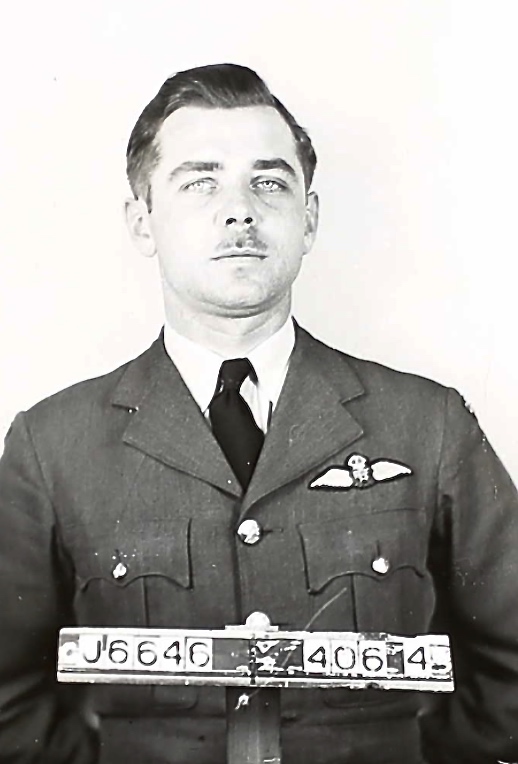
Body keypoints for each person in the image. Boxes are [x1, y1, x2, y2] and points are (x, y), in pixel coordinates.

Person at [0, 63, 517, 764]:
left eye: (269, 182)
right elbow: (8, 695)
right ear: (142, 221)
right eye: (200, 182)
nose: (239, 209)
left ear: (309, 219)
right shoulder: (51, 446)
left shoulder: (429, 425)